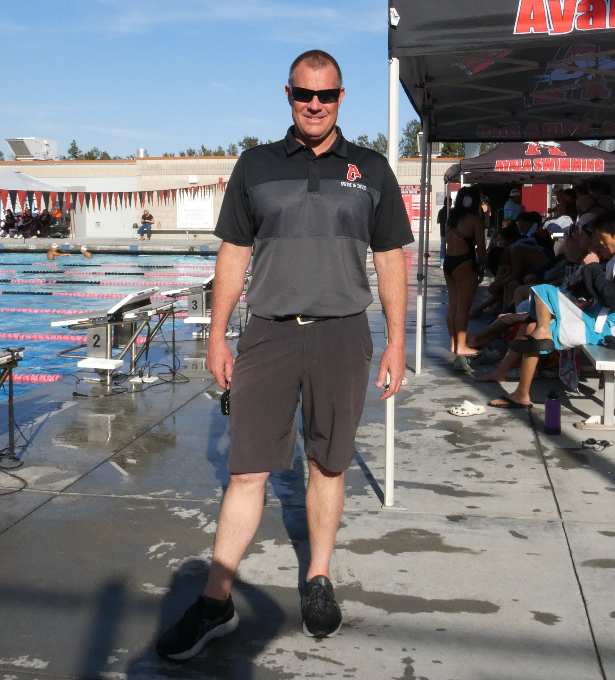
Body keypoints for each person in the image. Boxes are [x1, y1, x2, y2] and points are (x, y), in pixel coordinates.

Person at [156, 49, 413, 661]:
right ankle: (216, 602)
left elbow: (390, 260)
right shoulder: (256, 165)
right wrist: (218, 334)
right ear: (289, 96)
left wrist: (398, 341)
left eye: (325, 95)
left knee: (327, 462)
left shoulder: (371, 169)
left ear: (342, 97)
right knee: (248, 469)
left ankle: (318, 578)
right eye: (304, 95)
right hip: (268, 333)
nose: (314, 105)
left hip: (342, 333)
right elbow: (233, 255)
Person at [489, 211, 615, 407]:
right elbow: (599, 294)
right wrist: (584, 296)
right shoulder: (608, 260)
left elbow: (610, 297)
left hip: (605, 329)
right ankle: (521, 393)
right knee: (533, 324)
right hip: (595, 318)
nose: (599, 244)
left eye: (602, 239)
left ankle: (537, 327)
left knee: (543, 291)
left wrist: (592, 268)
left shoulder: (602, 263)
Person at [443, 186, 487, 355]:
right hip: (464, 262)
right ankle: (461, 346)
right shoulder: (475, 221)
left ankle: (454, 344)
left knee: (452, 306)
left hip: (449, 262)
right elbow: (481, 250)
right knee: (463, 308)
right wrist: (483, 265)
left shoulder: (450, 220)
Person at [438, 198, 452, 268]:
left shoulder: (440, 211)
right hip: (450, 232)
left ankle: (442, 263)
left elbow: (438, 220)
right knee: (450, 248)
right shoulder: (451, 211)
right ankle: (449, 263)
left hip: (442, 231)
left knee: (443, 247)